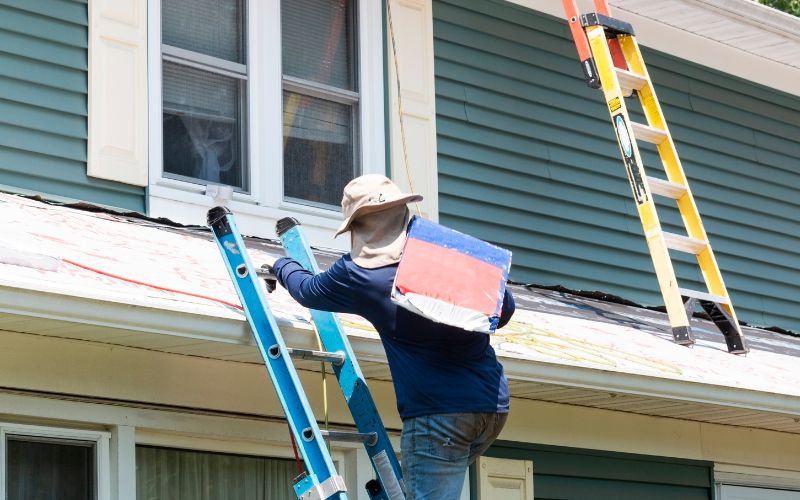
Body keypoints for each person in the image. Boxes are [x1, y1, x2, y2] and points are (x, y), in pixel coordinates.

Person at [271, 174, 515, 499]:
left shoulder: (360, 274)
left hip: (438, 416)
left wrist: (281, 265)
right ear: (401, 210)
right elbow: (505, 308)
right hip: (491, 406)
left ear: (357, 226)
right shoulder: (444, 252)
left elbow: (307, 290)